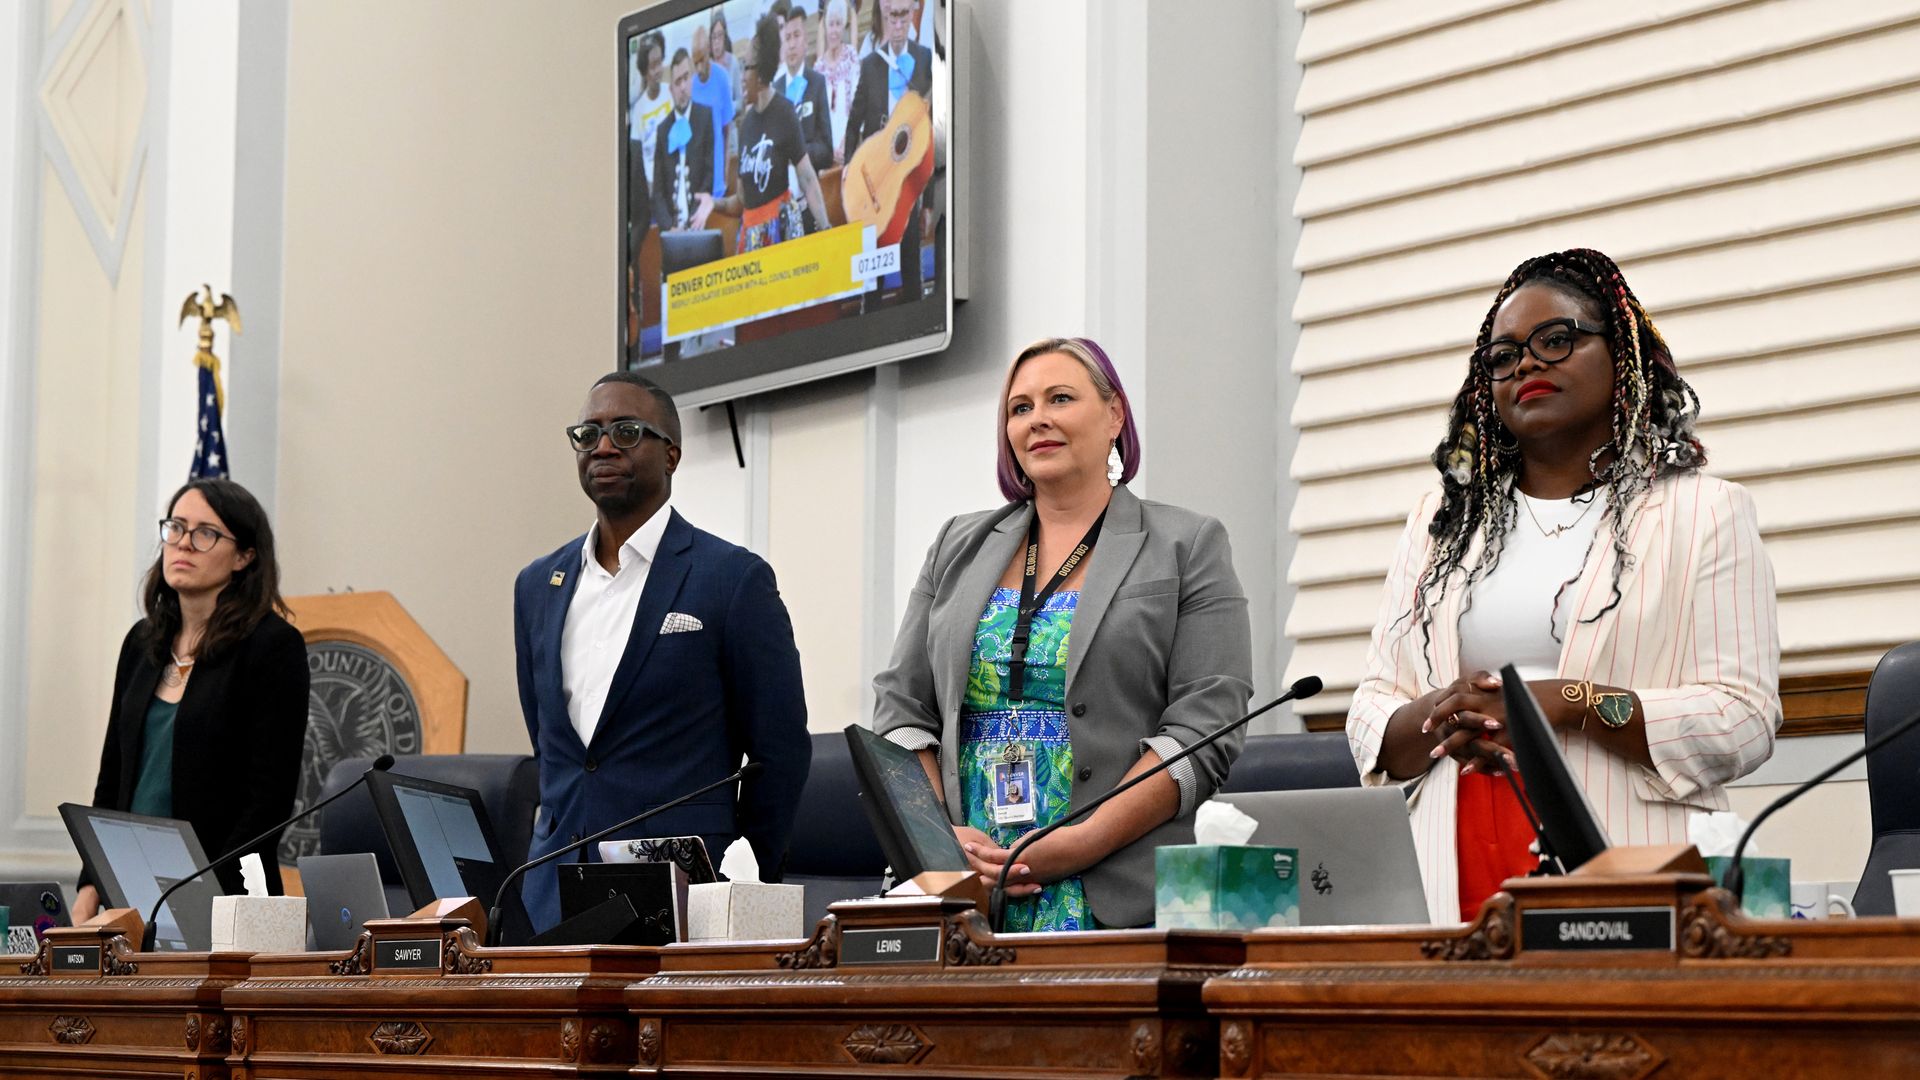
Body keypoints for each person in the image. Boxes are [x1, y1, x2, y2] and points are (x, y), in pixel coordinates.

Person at [1346, 248, 1781, 924]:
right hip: (1454, 864)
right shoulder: (1440, 525)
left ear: (1623, 354)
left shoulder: (1704, 512)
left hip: (1631, 867)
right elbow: (1374, 705)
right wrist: (1443, 711)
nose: (1526, 364)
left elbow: (1741, 720)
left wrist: (1572, 703)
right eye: (1503, 355)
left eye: (1557, 340)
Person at [873, 337, 1254, 931]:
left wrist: (1078, 843)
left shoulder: (1187, 545)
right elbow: (900, 705)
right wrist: (939, 838)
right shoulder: (956, 546)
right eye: (1019, 408)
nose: (1037, 420)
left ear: (1114, 415)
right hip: (961, 885)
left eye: (1060, 398)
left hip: (1113, 885)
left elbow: (1206, 728)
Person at [513, 372, 811, 933]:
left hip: (682, 899)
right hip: (551, 894)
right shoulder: (535, 586)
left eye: (626, 431)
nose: (602, 446)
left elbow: (781, 754)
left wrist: (739, 879)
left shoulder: (731, 579)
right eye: (588, 433)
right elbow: (555, 748)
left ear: (670, 454)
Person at [73, 478, 310, 919]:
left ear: (244, 556)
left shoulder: (273, 647)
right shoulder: (142, 643)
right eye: (176, 527)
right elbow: (111, 781)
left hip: (224, 900)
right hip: (126, 889)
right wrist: (91, 883)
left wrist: (199, 898)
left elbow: (267, 804)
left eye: (206, 533)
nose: (184, 544)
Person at [714, 14, 832, 253]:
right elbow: (742, 199)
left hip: (781, 232)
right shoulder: (745, 124)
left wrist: (827, 228)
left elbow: (807, 178)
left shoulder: (785, 112)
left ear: (760, 73)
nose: (742, 77)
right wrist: (711, 204)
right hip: (752, 240)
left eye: (746, 67)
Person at [842, 0, 933, 300]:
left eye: (903, 15)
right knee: (872, 280)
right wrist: (848, 169)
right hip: (873, 184)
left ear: (912, 14)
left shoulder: (925, 61)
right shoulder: (870, 66)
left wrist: (929, 201)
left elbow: (931, 137)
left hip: (905, 185)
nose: (897, 23)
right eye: (892, 15)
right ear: (883, 13)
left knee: (912, 275)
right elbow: (853, 123)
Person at [652, 49, 717, 233]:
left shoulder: (705, 118)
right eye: (677, 81)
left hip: (699, 222)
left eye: (686, 78)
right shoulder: (663, 130)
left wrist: (694, 220)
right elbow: (657, 191)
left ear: (692, 79)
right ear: (671, 89)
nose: (682, 87)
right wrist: (669, 227)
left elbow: (709, 175)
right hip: (671, 229)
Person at [774, 4, 835, 174]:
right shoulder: (776, 90)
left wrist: (797, 154)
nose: (792, 44)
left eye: (796, 36)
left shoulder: (817, 83)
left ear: (806, 41)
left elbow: (826, 150)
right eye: (787, 38)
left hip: (810, 179)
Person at [689, 24, 735, 200]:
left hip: (717, 177)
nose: (699, 68)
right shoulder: (691, 86)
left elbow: (727, 130)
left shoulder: (722, 77)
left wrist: (725, 171)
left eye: (702, 60)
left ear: (708, 51)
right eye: (695, 63)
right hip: (698, 178)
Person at [816, 0, 858, 166]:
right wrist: (829, 150)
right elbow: (818, 119)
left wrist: (845, 143)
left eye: (838, 24)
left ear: (843, 27)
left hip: (849, 144)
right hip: (826, 152)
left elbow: (857, 105)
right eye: (831, 24)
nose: (834, 30)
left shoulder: (851, 57)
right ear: (825, 28)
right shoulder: (818, 68)